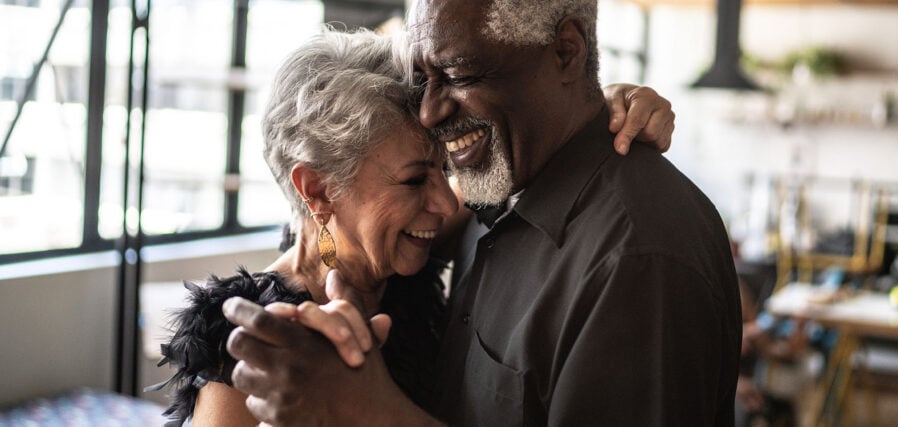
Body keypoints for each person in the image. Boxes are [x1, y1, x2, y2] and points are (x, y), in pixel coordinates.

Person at [224, 0, 740, 425]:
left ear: (565, 51)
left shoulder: (636, 258)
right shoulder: (498, 189)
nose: (430, 110)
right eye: (424, 77)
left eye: (459, 73)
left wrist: (371, 413)